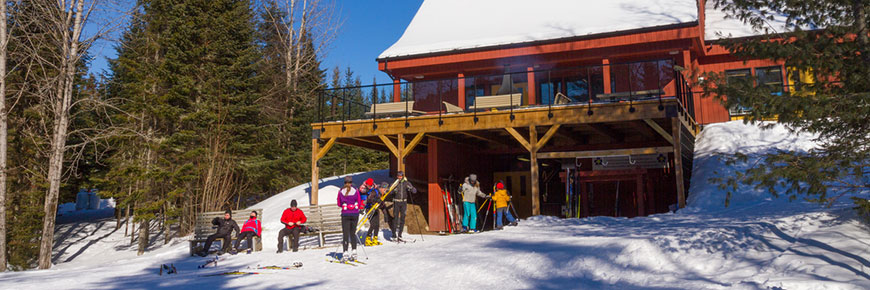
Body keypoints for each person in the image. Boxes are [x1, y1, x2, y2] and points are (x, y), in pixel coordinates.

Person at [337, 176, 362, 261]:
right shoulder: (355, 190)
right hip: (355, 214)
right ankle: (354, 250)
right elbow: (359, 202)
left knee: (346, 233)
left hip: (345, 214)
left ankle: (345, 252)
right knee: (353, 233)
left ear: (344, 182)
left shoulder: (341, 191)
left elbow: (339, 203)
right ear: (351, 183)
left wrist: (346, 205)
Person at [388, 171, 417, 242]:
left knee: (403, 218)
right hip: (396, 202)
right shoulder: (395, 183)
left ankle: (400, 234)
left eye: (400, 176)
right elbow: (389, 191)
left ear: (403, 176)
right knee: (395, 218)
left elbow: (414, 191)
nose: (399, 177)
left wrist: (411, 188)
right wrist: (393, 191)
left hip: (403, 202)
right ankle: (394, 234)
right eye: (398, 176)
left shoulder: (406, 183)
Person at [364, 181, 388, 246]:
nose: (385, 191)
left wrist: (385, 214)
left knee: (377, 225)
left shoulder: (381, 195)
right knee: (373, 224)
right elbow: (369, 199)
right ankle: (367, 239)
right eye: (384, 189)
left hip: (376, 210)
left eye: (386, 190)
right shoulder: (375, 191)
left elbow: (382, 205)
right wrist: (376, 200)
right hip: (370, 209)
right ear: (381, 188)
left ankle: (375, 239)